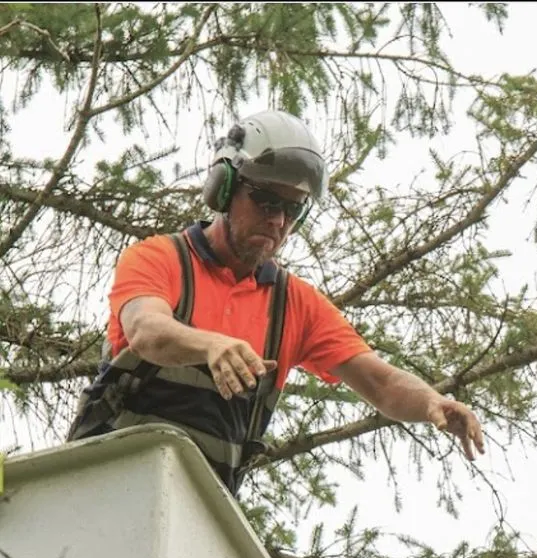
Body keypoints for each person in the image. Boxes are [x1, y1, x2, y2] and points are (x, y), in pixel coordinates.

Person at [68, 109, 484, 495]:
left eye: (292, 209)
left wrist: (432, 401)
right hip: (103, 482)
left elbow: (381, 383)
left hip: (198, 503)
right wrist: (210, 345)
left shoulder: (294, 306)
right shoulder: (160, 258)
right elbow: (146, 331)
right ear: (224, 188)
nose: (278, 221)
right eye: (267, 201)